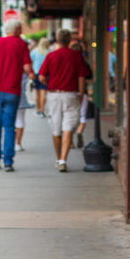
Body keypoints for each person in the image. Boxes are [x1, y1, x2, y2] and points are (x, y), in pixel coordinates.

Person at [0, 18, 33, 172]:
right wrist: (32, 75)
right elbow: (27, 67)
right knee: (9, 126)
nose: (22, 32)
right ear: (16, 30)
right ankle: (8, 161)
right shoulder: (21, 45)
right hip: (12, 91)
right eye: (20, 29)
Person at [38, 28, 92, 172]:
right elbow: (82, 78)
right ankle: (63, 159)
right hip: (71, 94)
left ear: (56, 40)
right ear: (69, 41)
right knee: (68, 127)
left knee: (56, 128)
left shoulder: (51, 56)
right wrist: (81, 94)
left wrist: (50, 83)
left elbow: (41, 77)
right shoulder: (76, 56)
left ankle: (58, 158)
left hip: (54, 94)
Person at [69, 39, 93, 149]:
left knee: (70, 117)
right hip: (83, 93)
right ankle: (79, 131)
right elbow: (90, 79)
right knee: (82, 116)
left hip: (71, 92)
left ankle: (70, 141)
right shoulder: (84, 63)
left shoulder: (68, 64)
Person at [14, 71, 34, 151]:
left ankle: (7, 143)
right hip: (21, 90)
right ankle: (18, 144)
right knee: (20, 118)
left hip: (5, 90)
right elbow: (31, 74)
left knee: (6, 120)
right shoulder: (23, 58)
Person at [30, 36, 49, 114]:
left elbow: (30, 62)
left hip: (36, 74)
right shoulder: (48, 52)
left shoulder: (34, 52)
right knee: (43, 92)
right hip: (45, 74)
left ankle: (37, 109)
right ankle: (42, 109)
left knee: (37, 93)